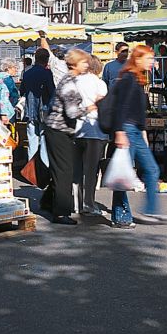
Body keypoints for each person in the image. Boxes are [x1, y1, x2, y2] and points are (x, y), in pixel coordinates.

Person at [109, 44, 167, 227]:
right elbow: (121, 107)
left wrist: (143, 131)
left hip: (135, 130)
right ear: (137, 59)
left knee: (152, 170)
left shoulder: (137, 78)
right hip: (127, 131)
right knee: (123, 176)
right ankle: (120, 216)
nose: (152, 62)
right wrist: (120, 132)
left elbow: (137, 110)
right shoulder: (128, 78)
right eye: (149, 59)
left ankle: (150, 210)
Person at [44, 49, 96, 226]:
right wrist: (89, 108)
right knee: (65, 171)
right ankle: (60, 212)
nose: (86, 65)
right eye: (83, 62)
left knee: (60, 169)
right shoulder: (69, 83)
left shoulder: (69, 80)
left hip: (58, 129)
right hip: (59, 130)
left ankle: (49, 202)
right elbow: (72, 112)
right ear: (74, 64)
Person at [74, 54, 109, 216]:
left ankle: (76, 203)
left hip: (76, 130)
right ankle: (89, 203)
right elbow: (103, 106)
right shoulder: (100, 84)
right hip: (94, 130)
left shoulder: (75, 81)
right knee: (91, 170)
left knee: (77, 169)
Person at [19, 48, 55, 122]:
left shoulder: (26, 73)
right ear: (47, 59)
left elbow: (22, 91)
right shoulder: (47, 73)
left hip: (30, 110)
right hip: (43, 110)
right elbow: (52, 91)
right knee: (43, 132)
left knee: (31, 132)